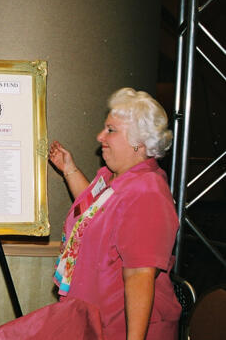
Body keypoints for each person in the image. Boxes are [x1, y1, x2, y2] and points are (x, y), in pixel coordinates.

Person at [49, 87, 181, 340]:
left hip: (121, 329)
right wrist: (69, 170)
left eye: (111, 130)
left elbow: (139, 276)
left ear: (138, 143)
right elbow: (92, 212)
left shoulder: (147, 192)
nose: (100, 136)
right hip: (95, 321)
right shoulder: (113, 176)